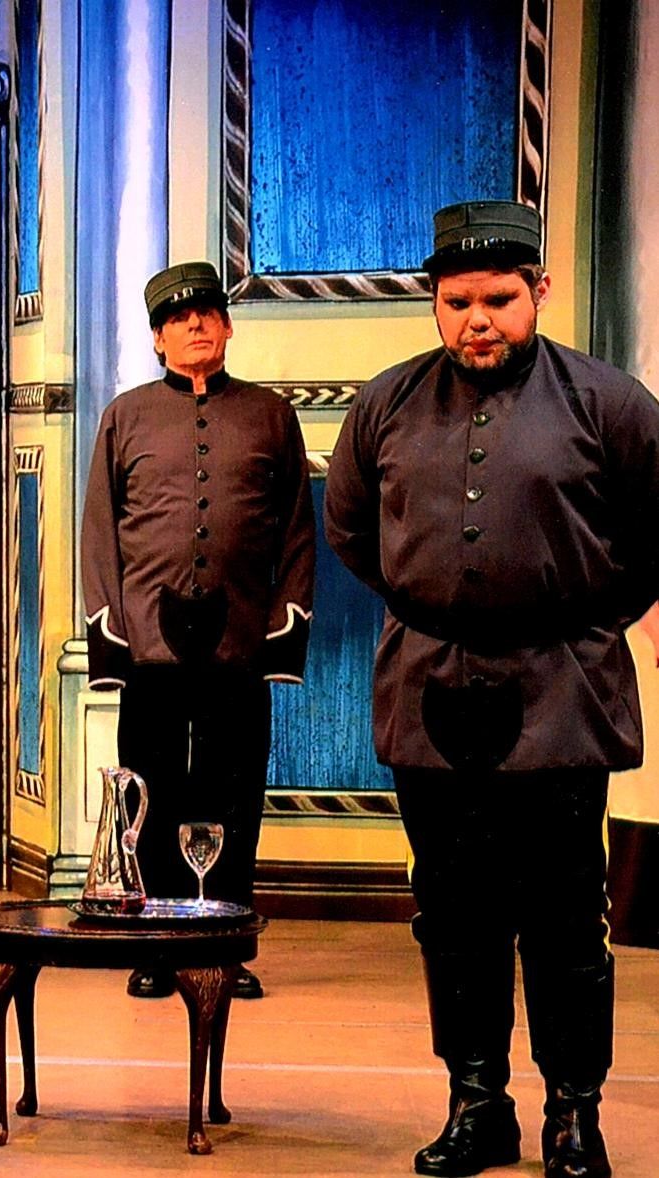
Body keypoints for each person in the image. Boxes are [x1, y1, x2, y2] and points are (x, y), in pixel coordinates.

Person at [326, 200, 659, 1178]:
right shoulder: (382, 405)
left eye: (500, 299)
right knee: (453, 913)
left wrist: (575, 614)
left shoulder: (610, 404)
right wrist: (439, 600)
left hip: (563, 693)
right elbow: (351, 531)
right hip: (428, 691)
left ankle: (572, 1112)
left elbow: (653, 536)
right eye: (458, 300)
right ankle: (477, 1102)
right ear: (434, 301)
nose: (478, 319)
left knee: (566, 916)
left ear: (538, 291)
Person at [79, 261, 315, 1001]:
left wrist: (283, 629)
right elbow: (98, 534)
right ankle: (155, 946)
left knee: (233, 796)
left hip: (239, 642)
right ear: (158, 339)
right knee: (148, 798)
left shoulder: (272, 415)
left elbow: (297, 532)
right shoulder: (125, 416)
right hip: (149, 643)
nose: (195, 326)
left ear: (228, 325)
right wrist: (110, 637)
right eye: (178, 319)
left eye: (207, 313)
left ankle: (223, 947)